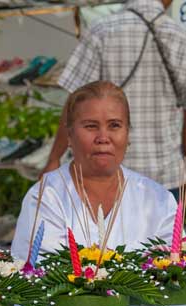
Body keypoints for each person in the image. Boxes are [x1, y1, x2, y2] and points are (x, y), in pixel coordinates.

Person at [42, 0, 186, 192]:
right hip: (166, 180)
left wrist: (54, 158)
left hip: (104, 176)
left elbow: (74, 108)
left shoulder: (101, 31)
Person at [11, 81, 176, 261]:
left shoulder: (158, 200)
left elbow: (176, 273)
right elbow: (36, 277)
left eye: (114, 125)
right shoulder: (46, 197)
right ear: (69, 135)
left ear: (127, 134)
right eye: (91, 126)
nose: (103, 138)